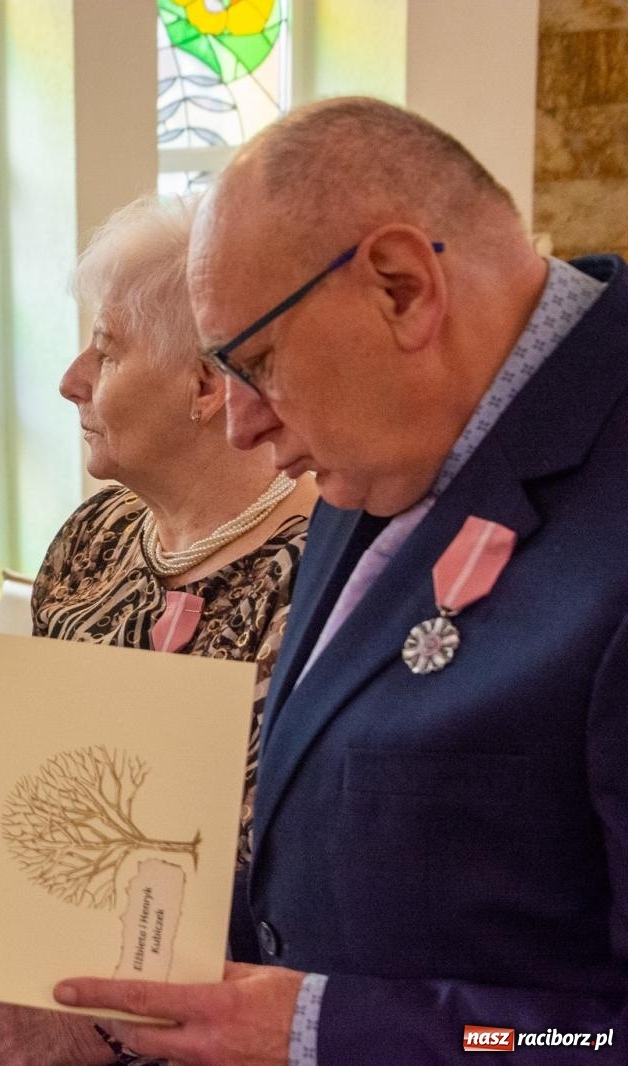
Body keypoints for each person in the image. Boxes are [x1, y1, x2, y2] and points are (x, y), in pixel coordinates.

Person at [52, 97, 628, 1064]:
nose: (239, 425)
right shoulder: (378, 452)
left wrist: (325, 1030)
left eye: (260, 363)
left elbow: (587, 1034)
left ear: (401, 289)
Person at [0, 196, 315, 1066]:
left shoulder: (314, 574)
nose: (71, 378)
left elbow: (270, 886)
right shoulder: (95, 538)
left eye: (105, 350)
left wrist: (98, 1030)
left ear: (207, 385)